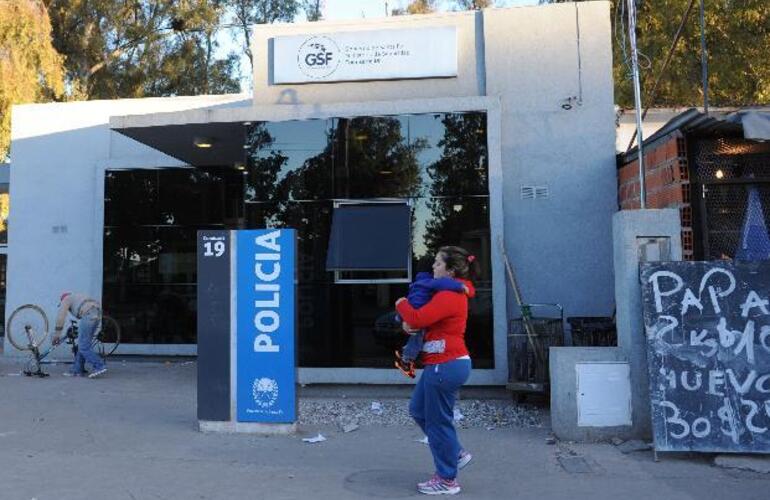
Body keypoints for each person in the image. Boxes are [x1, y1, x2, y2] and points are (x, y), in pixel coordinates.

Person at [395, 246, 478, 495]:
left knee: (438, 422)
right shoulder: (443, 292)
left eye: (438, 264)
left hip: (447, 364)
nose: (433, 267)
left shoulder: (449, 296)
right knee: (418, 410)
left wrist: (400, 304)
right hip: (441, 363)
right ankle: (454, 452)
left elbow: (418, 317)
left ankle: (447, 479)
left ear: (450, 271)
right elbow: (420, 321)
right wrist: (407, 325)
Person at [393, 272, 469, 378]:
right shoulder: (430, 283)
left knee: (416, 337)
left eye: (437, 264)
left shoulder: (415, 285)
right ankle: (406, 357)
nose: (434, 267)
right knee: (418, 337)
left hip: (410, 307)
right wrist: (460, 286)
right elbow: (444, 284)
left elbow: (409, 301)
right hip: (418, 311)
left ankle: (407, 354)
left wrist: (402, 317)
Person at [52, 292, 107, 378]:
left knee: (83, 347)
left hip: (88, 315)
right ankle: (77, 370)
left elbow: (61, 317)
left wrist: (57, 335)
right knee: (83, 344)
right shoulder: (78, 297)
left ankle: (99, 365)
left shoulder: (66, 299)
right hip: (97, 314)